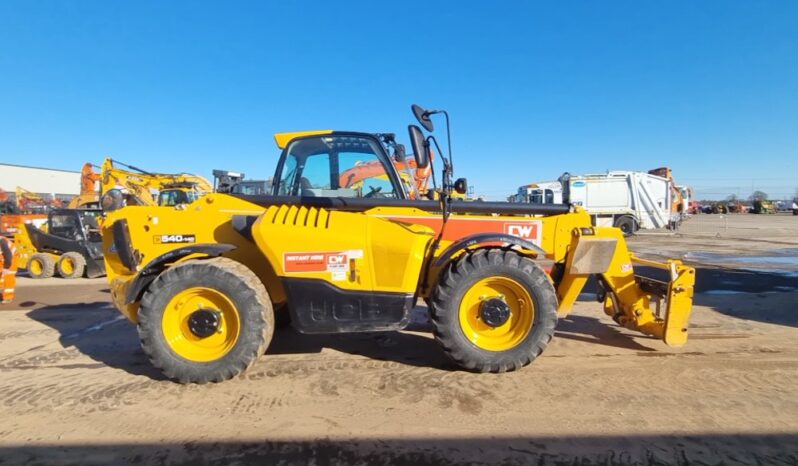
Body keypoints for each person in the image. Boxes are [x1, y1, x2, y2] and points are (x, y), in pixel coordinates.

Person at [1, 235, 17, 304]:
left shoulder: (2, 241)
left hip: (12, 258)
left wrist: (6, 268)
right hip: (2, 257)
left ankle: (8, 297)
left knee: (8, 276)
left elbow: (8, 255)